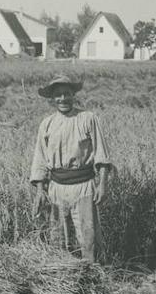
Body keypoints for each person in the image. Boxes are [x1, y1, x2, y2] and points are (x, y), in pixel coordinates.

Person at [29, 75, 113, 262]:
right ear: (52, 98)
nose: (62, 99)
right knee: (59, 238)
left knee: (88, 238)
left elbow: (102, 154)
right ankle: (64, 282)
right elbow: (40, 158)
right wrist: (40, 191)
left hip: (83, 186)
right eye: (58, 95)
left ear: (73, 95)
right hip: (56, 189)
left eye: (66, 93)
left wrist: (102, 184)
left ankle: (92, 278)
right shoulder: (47, 124)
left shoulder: (87, 118)